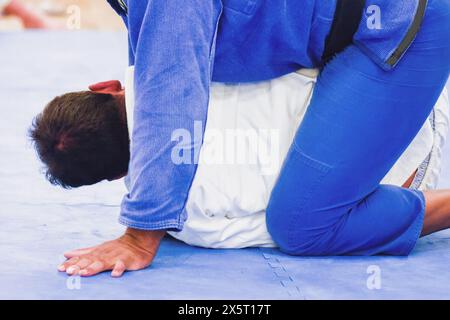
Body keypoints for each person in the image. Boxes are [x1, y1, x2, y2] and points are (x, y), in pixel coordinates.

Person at [32, 0, 450, 277]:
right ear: (104, 86)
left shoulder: (189, 214)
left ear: (115, 175)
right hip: (381, 75)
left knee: (302, 227)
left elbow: (171, 91)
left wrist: (143, 232)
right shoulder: (147, 77)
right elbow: (156, 72)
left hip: (401, 34)